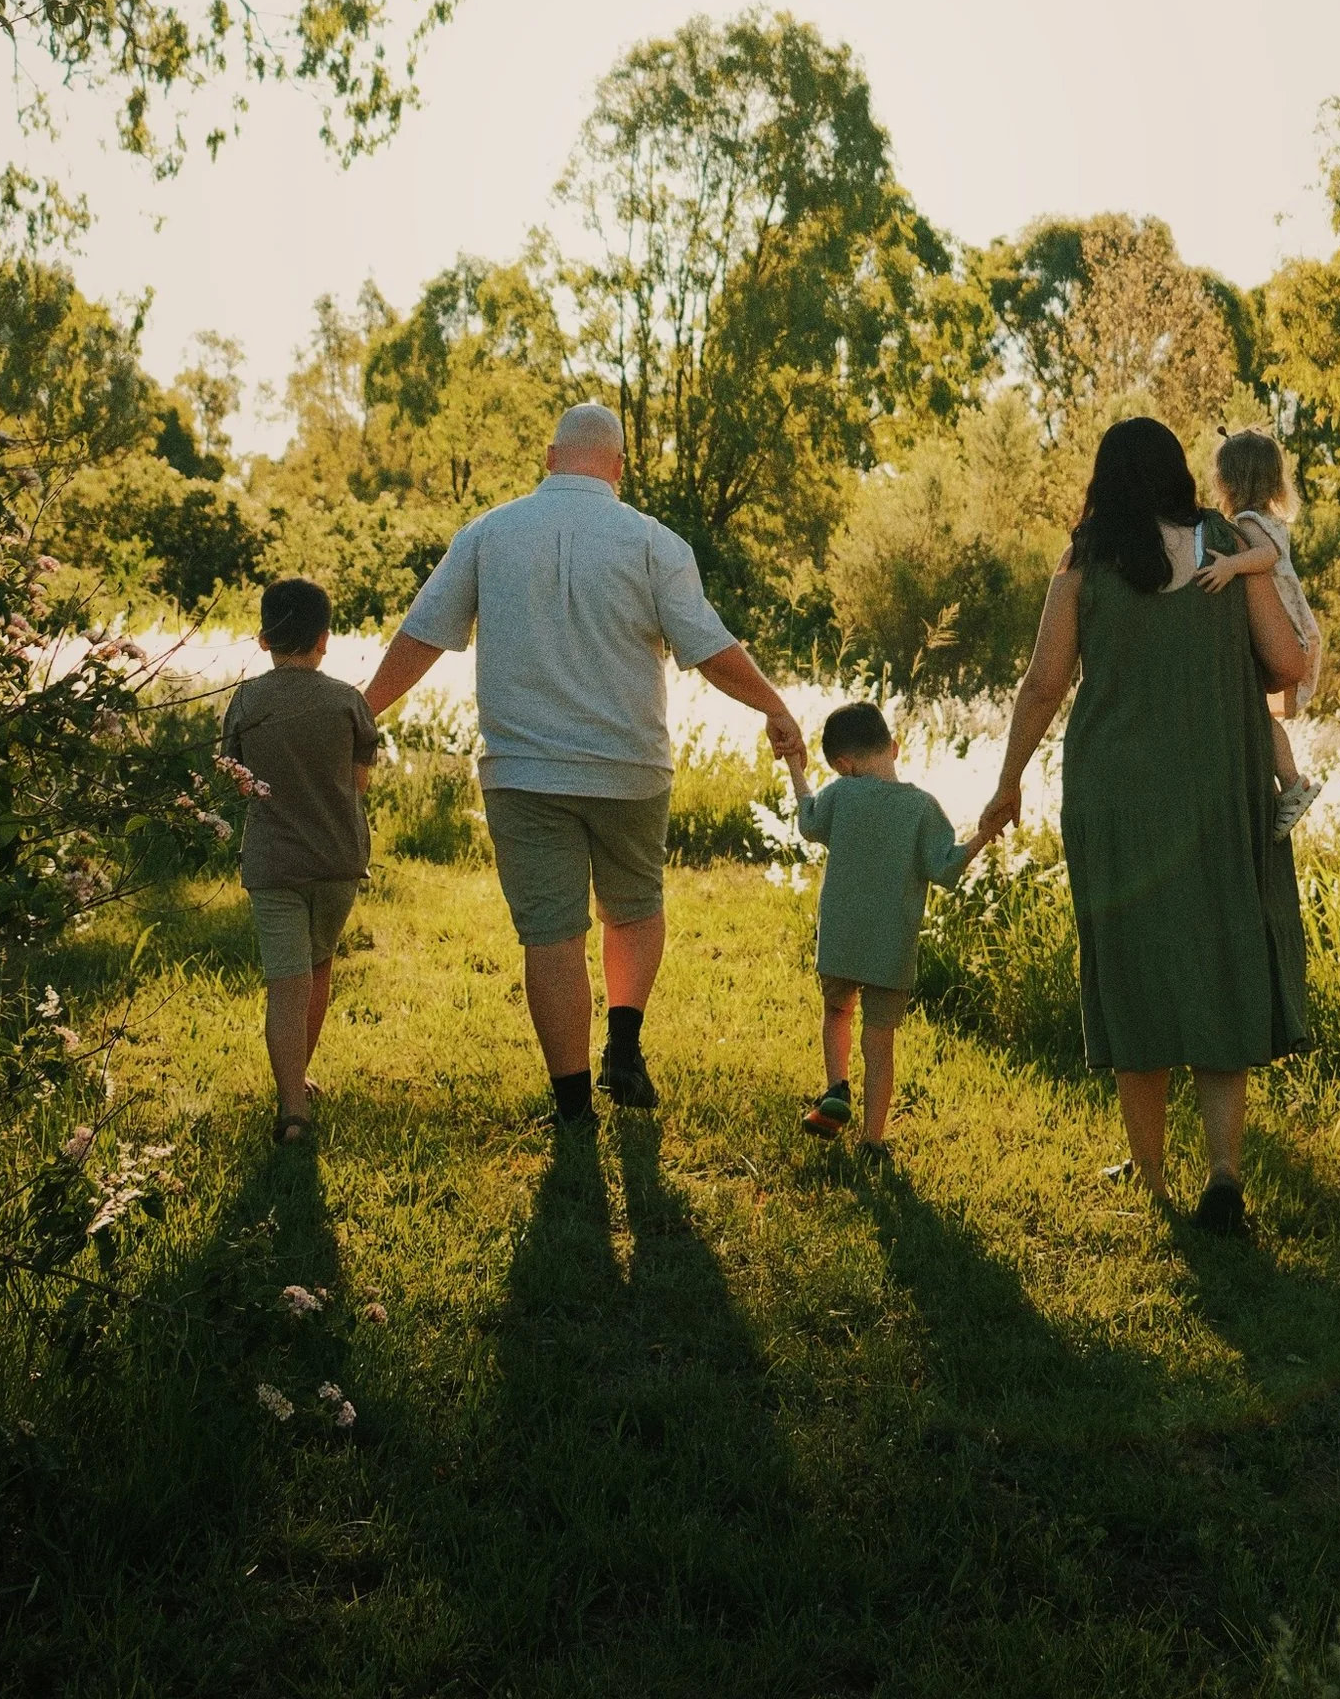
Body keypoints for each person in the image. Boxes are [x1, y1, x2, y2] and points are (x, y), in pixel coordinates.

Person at [361, 402, 807, 1125]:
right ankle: (623, 1048)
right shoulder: (654, 542)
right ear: (620, 467)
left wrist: (360, 712)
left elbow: (424, 635)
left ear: (549, 456)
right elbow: (707, 646)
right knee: (634, 908)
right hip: (629, 770)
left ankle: (572, 1106)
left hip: (523, 771)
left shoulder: (488, 532)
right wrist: (774, 706)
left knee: (552, 934)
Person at [975, 416, 1316, 1236]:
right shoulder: (1228, 545)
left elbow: (1042, 686)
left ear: (1106, 479)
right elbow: (1289, 662)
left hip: (1118, 799)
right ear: (1176, 475)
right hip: (1218, 791)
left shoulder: (1085, 564)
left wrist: (1008, 781)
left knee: (1133, 972)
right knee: (1221, 960)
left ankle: (1154, 1177)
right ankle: (1225, 1171)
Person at [787, 702, 991, 1159]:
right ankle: (873, 1141)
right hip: (890, 950)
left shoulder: (841, 793)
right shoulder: (922, 808)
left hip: (840, 942)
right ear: (894, 747)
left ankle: (836, 1088)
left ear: (844, 764)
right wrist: (983, 834)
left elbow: (808, 821)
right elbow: (946, 868)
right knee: (880, 1045)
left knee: (837, 1011)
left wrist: (796, 769)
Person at [218, 574, 381, 1146]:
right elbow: (358, 782)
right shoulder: (348, 701)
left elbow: (236, 777)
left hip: (274, 862)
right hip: (339, 859)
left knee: (285, 983)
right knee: (317, 968)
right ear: (325, 639)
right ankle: (299, 1079)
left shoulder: (245, 701)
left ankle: (292, 1107)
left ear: (264, 639)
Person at [1196, 427, 1324, 834]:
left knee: (1258, 715)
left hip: (1286, 630)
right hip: (1297, 628)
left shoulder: (1250, 523)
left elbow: (1265, 557)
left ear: (1229, 480)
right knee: (1260, 716)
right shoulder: (1268, 519)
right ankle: (1287, 784)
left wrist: (1229, 566)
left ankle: (1291, 783)